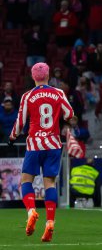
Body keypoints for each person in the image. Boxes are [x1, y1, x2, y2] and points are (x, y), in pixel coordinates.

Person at [8, 62, 75, 242]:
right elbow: (70, 114)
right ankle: (50, 223)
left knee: (25, 181)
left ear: (33, 76)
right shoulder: (59, 93)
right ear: (48, 75)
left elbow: (20, 122)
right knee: (50, 184)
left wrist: (12, 137)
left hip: (35, 144)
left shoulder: (27, 96)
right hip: (53, 144)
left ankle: (31, 211)